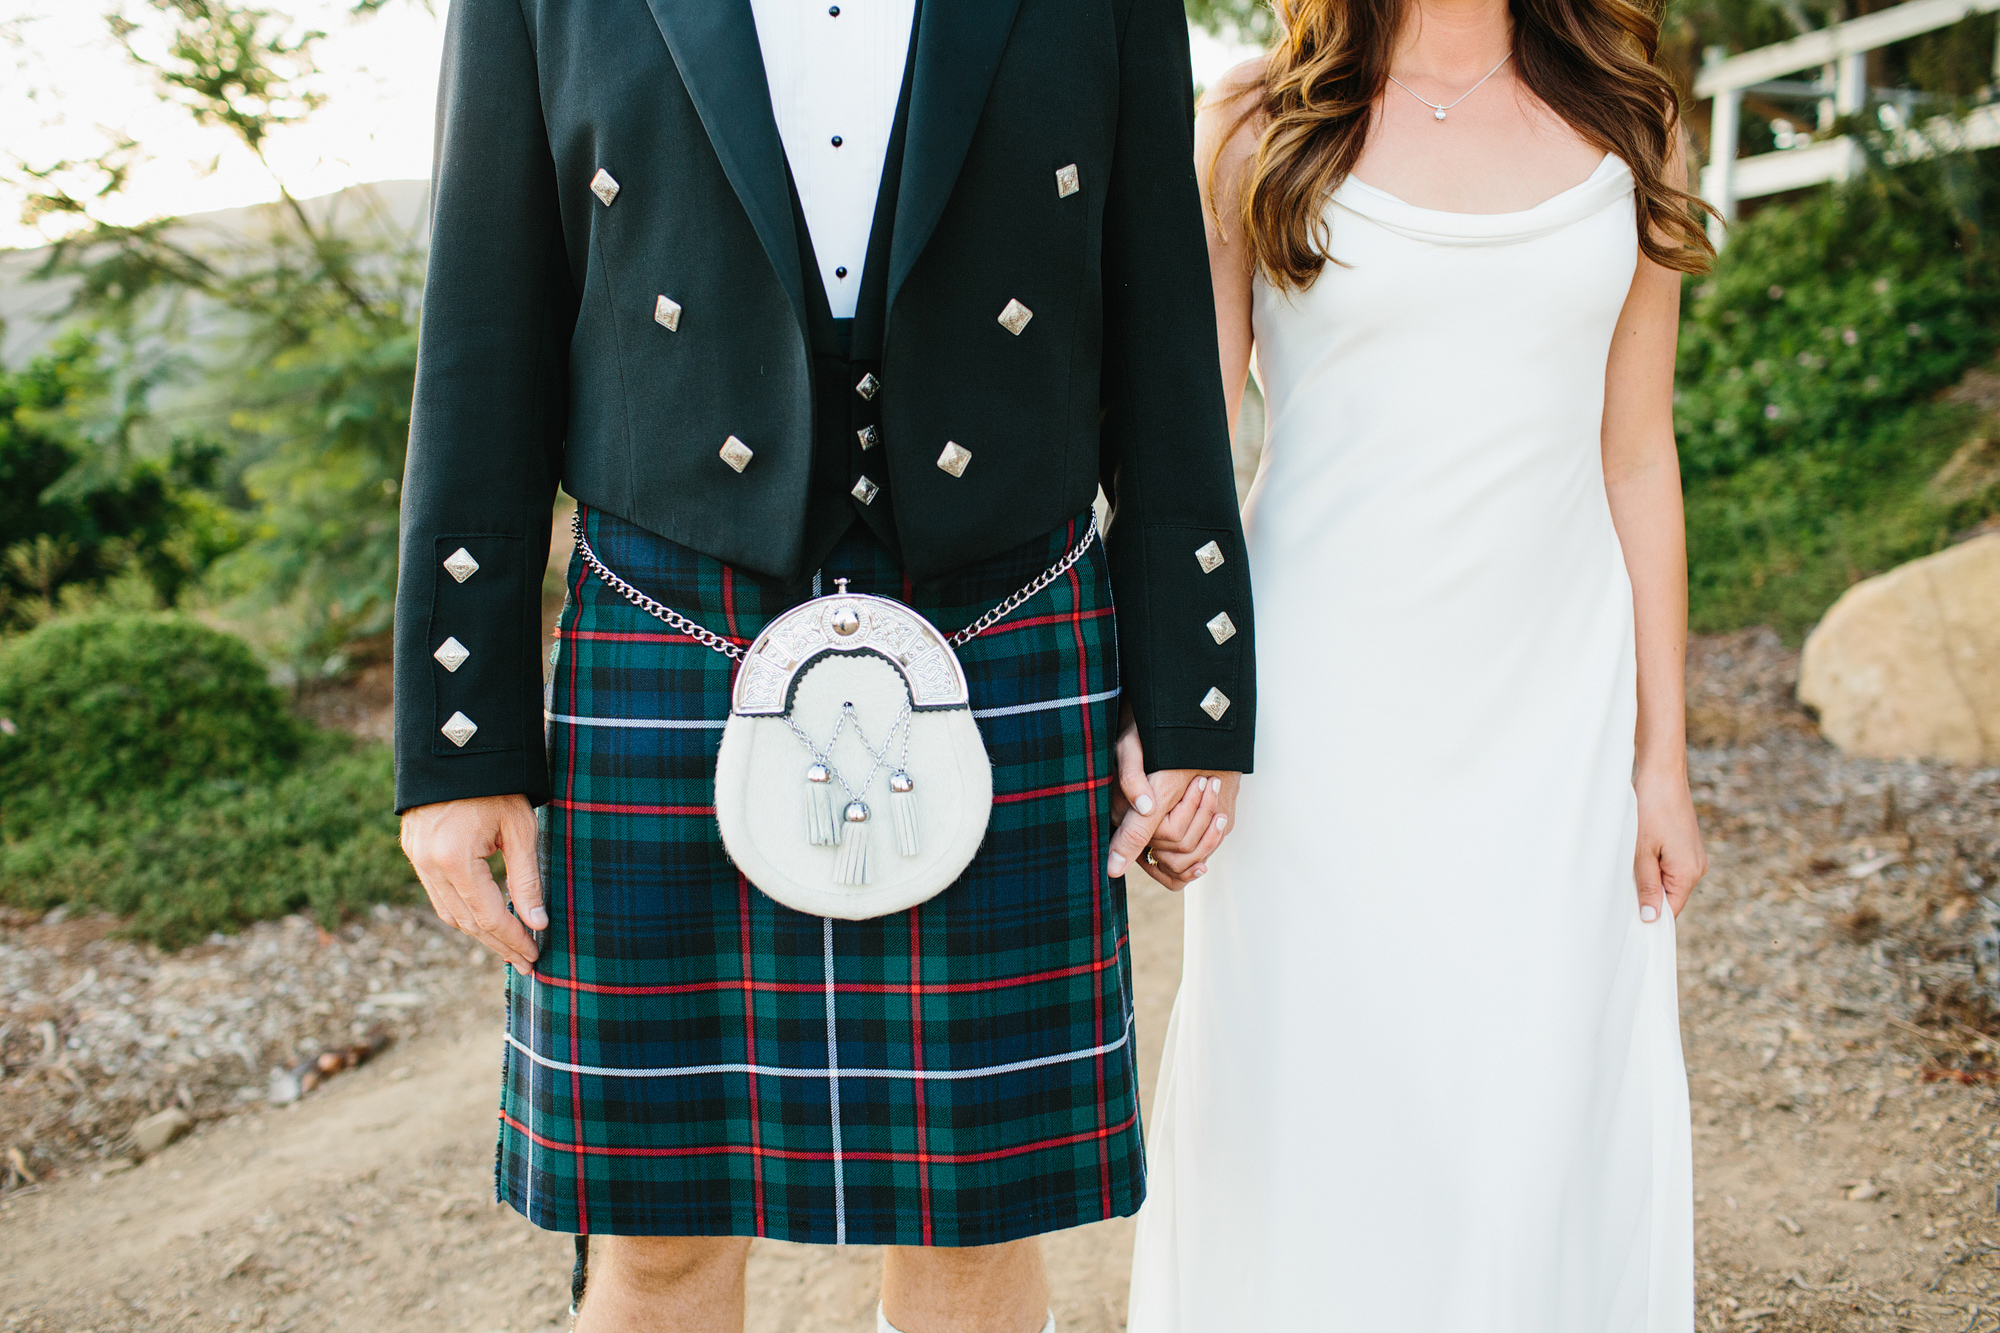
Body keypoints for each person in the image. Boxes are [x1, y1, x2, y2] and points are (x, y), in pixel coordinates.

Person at [391, 1, 1255, 1330]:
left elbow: (1158, 325)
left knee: (970, 1231)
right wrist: (463, 740)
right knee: (661, 1241)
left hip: (1005, 616)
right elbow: (481, 334)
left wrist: (1191, 694)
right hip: (664, 620)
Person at [1126, 0, 1712, 1325]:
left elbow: (1638, 454)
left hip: (1553, 707)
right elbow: (1183, 459)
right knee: (1319, 1109)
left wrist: (1661, 756)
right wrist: (1166, 707)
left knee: (1528, 1108)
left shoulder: (1635, 121)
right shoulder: (1252, 124)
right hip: (1318, 721)